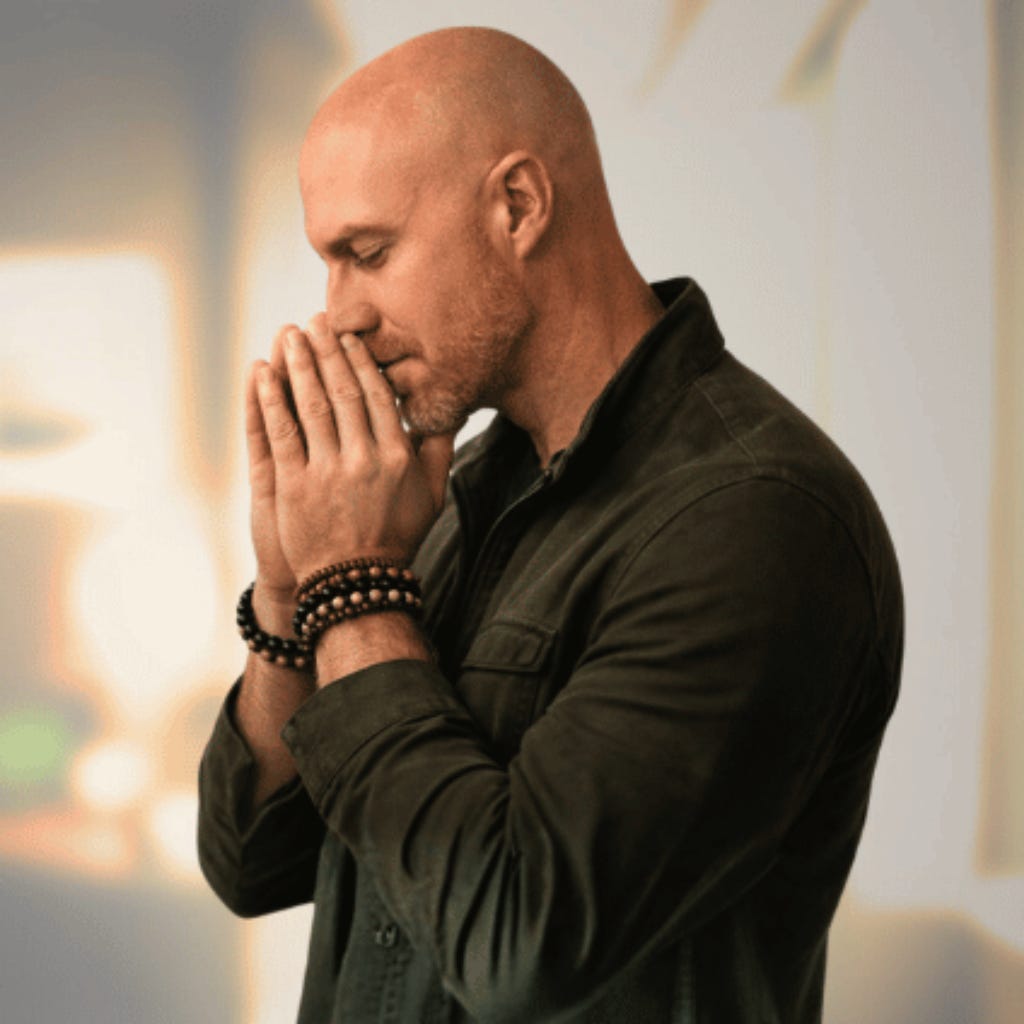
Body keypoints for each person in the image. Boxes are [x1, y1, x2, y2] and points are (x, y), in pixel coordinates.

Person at [197, 26, 903, 1024]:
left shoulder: (758, 518)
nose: (339, 312)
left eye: (369, 253)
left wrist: (352, 585)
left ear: (519, 205)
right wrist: (289, 587)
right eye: (329, 263)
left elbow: (518, 943)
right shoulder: (445, 495)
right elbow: (253, 860)